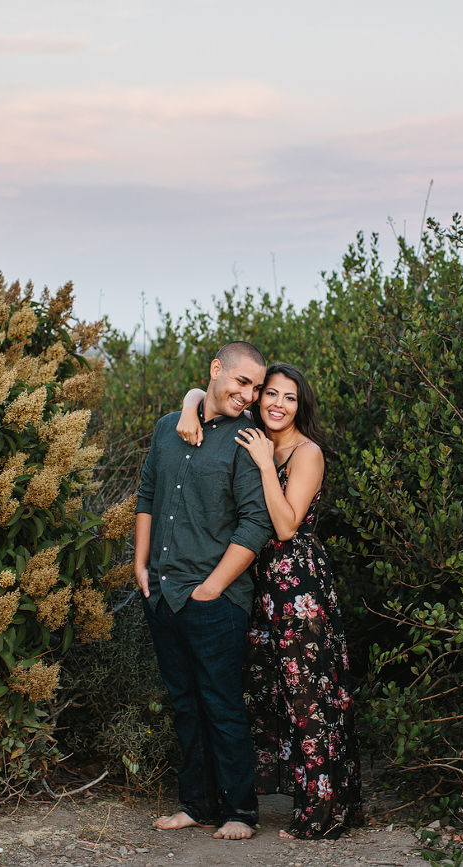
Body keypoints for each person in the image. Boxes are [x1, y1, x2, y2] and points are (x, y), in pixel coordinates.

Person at [176, 362, 364, 839]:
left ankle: (324, 814)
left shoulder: (306, 453)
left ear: (302, 405)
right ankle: (276, 799)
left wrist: (265, 465)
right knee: (271, 694)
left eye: (290, 397)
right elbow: (206, 391)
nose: (278, 404)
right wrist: (188, 404)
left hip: (299, 587)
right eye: (270, 394)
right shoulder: (250, 435)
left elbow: (284, 526)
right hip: (259, 588)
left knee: (310, 697)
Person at [134, 341, 274, 841]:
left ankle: (240, 812)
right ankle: (196, 804)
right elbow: (147, 493)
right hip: (163, 594)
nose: (249, 395)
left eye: (256, 388)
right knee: (183, 703)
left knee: (221, 704)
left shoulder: (247, 439)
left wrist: (214, 587)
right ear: (217, 371)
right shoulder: (170, 425)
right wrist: (139, 562)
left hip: (215, 600)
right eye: (242, 382)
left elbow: (256, 523)